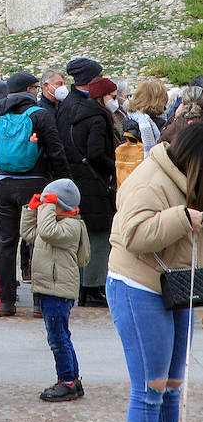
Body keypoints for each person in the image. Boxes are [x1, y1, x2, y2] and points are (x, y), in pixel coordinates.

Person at [107, 121, 203, 422]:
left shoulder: (189, 180)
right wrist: (183, 218)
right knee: (151, 389)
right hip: (139, 285)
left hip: (177, 285)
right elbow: (133, 234)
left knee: (172, 386)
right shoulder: (150, 180)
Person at [0, 70, 71, 315]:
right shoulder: (40, 115)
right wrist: (64, 182)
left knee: (5, 242)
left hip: (3, 184)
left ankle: (5, 302)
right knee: (39, 241)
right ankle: (40, 302)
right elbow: (56, 152)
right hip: (35, 183)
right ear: (31, 90)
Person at [19, 177, 89, 403]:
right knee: (61, 336)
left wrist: (47, 206)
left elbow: (47, 231)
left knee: (58, 338)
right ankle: (73, 380)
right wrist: (32, 209)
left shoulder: (70, 226)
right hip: (50, 288)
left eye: (49, 202)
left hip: (58, 291)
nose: (45, 206)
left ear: (60, 205)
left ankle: (67, 381)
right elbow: (29, 232)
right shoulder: (54, 224)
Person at [57, 61, 118, 305]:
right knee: (96, 233)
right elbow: (95, 151)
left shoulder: (67, 105)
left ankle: (84, 287)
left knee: (83, 234)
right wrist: (113, 166)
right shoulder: (90, 112)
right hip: (91, 180)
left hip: (73, 178)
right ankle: (92, 287)